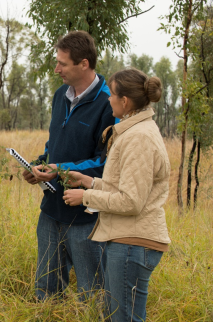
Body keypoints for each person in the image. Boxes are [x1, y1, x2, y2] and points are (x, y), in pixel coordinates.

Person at [63, 68, 171, 321]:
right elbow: (123, 188)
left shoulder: (139, 138)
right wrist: (89, 182)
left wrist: (85, 198)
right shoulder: (135, 131)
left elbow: (131, 202)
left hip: (134, 243)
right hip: (127, 241)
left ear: (124, 101)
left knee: (124, 318)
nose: (108, 99)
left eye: (111, 94)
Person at [23, 30, 116, 300]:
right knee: (46, 291)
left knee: (92, 295)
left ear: (84, 63)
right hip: (51, 211)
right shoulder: (59, 95)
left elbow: (106, 162)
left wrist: (59, 169)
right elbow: (54, 143)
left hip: (86, 216)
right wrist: (40, 166)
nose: (57, 68)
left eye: (62, 63)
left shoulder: (108, 102)